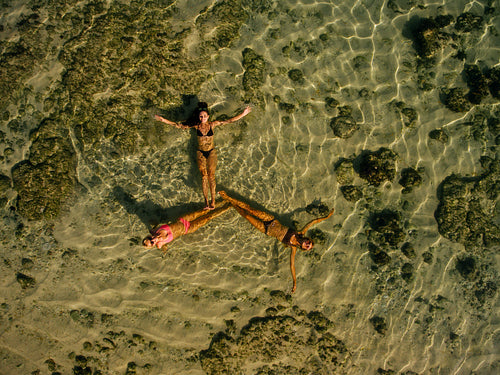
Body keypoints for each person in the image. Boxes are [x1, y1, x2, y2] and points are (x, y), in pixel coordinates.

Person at [219, 191, 334, 293]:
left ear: (303, 248)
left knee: (246, 215)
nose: (307, 244)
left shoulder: (293, 247)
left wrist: (295, 282)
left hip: (265, 230)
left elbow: (292, 266)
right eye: (309, 243)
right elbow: (313, 222)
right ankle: (228, 197)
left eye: (307, 247)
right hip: (271, 220)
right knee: (250, 209)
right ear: (308, 239)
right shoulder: (300, 232)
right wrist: (326, 217)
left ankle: (233, 205)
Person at [155, 103, 252, 210]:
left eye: (205, 116)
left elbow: (229, 121)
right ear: (198, 117)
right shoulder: (196, 126)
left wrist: (243, 114)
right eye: (201, 116)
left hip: (211, 151)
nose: (203, 118)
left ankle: (213, 201)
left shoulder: (212, 125)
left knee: (211, 175)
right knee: (204, 176)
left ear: (208, 117)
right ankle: (206, 201)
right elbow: (178, 125)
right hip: (200, 152)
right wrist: (163, 120)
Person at [143, 201, 231, 252]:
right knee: (208, 217)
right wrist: (166, 251)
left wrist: (154, 220)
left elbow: (154, 223)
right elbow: (165, 248)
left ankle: (223, 201)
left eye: (149, 239)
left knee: (204, 211)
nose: (152, 240)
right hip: (188, 229)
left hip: (183, 220)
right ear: (153, 245)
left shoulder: (154, 231)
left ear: (149, 236)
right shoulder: (160, 245)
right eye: (151, 243)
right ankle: (227, 207)